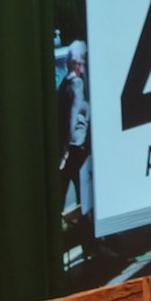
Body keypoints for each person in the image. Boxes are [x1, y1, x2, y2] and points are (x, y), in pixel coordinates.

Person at [57, 40, 89, 213]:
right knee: (81, 185)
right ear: (77, 63)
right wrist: (67, 147)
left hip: (69, 144)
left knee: (66, 182)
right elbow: (72, 116)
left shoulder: (64, 83)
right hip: (75, 145)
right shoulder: (77, 84)